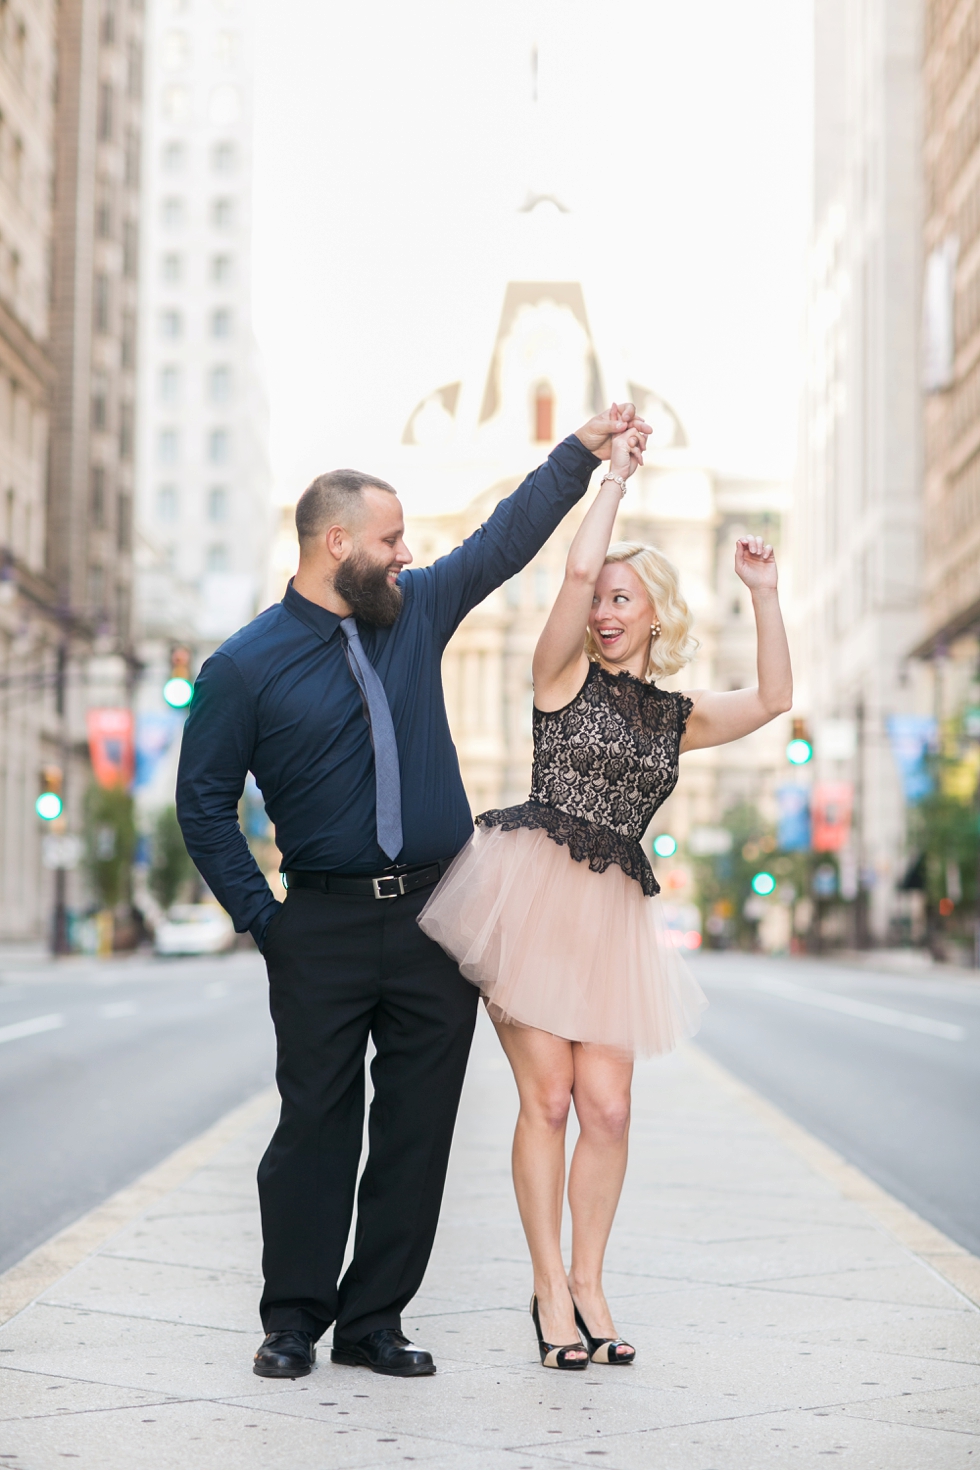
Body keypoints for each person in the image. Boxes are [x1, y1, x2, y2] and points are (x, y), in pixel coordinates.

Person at [175, 403, 650, 1380]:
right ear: (334, 542)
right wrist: (267, 923)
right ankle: (294, 1319)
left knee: (417, 1126)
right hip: (323, 922)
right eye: (389, 540)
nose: (405, 555)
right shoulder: (242, 668)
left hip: (441, 913)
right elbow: (204, 808)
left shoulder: (418, 609)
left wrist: (581, 455)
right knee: (315, 1123)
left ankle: (373, 1321)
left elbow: (505, 540)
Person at [418, 423, 792, 1370]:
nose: (606, 611)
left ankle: (591, 1280)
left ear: (656, 615)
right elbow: (574, 579)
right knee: (547, 1101)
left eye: (626, 600)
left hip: (614, 915)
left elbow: (776, 699)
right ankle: (548, 1292)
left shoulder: (675, 718)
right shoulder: (559, 674)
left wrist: (764, 593)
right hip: (529, 900)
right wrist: (612, 483)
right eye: (602, 600)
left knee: (610, 1109)